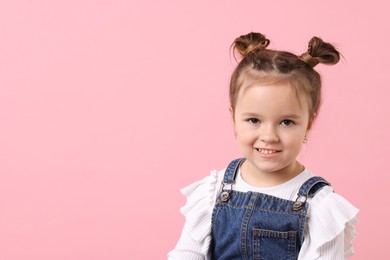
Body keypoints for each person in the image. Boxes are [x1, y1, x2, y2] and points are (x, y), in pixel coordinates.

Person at [168, 32, 359, 259]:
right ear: (234, 118)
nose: (269, 136)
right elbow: (187, 254)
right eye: (254, 120)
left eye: (286, 122)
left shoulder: (319, 206)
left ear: (309, 123)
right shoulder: (213, 191)